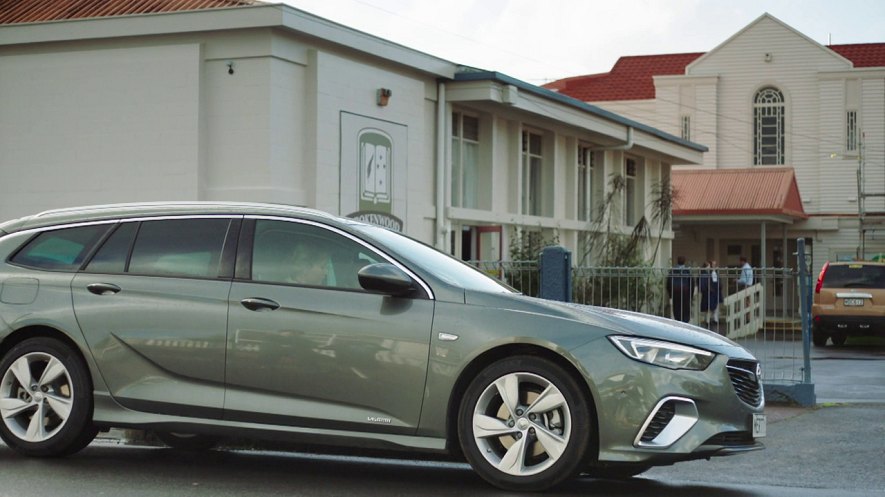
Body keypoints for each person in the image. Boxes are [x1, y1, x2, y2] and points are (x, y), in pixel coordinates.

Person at [667, 255, 695, 323]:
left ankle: (678, 321)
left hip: (675, 293)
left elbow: (668, 284)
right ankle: (685, 322)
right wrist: (691, 295)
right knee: (685, 310)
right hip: (685, 293)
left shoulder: (673, 271)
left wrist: (670, 295)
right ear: (684, 262)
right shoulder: (687, 271)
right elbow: (692, 283)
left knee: (677, 309)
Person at [699, 260, 722, 326]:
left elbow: (718, 281)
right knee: (709, 307)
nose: (714, 266)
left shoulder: (716, 272)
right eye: (713, 265)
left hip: (716, 291)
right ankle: (708, 321)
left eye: (715, 264)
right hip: (710, 292)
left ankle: (715, 320)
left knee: (715, 306)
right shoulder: (707, 273)